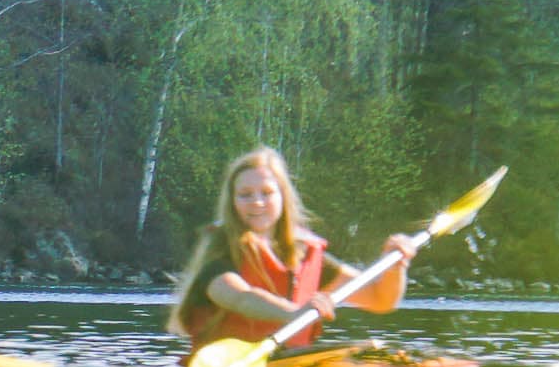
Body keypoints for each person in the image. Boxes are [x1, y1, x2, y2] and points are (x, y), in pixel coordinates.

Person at [169, 146, 415, 354]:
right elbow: (240, 297)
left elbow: (380, 300)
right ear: (233, 202)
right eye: (245, 195)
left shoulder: (304, 254)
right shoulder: (221, 251)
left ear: (283, 197)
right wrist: (295, 313)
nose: (257, 202)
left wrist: (395, 266)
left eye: (267, 193)